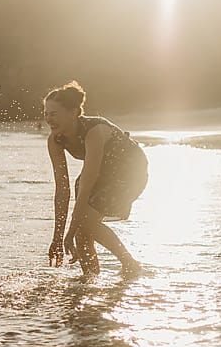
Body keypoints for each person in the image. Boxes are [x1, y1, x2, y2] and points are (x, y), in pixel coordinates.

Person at [44, 88, 149, 283]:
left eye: (54, 114)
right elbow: (62, 190)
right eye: (46, 114)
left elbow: (87, 183)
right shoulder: (55, 140)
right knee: (82, 233)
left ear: (74, 112)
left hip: (130, 173)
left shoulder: (95, 131)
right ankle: (90, 281)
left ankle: (131, 265)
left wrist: (71, 229)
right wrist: (57, 237)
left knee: (84, 224)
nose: (49, 119)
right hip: (101, 174)